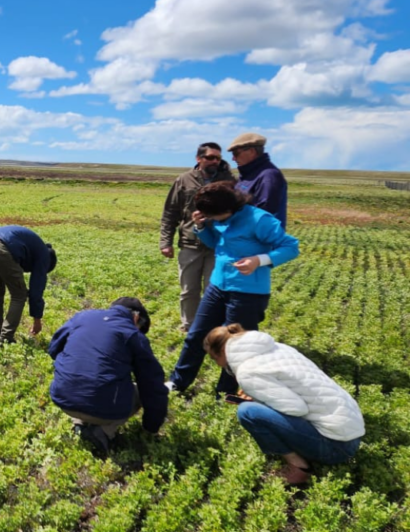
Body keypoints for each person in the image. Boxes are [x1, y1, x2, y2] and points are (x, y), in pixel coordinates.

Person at [166, 181, 299, 395]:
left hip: (248, 292)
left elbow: (291, 247)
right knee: (196, 335)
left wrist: (259, 260)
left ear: (228, 209)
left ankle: (226, 392)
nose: (211, 220)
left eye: (213, 216)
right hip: (218, 285)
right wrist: (200, 227)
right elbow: (216, 244)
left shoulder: (259, 220)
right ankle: (177, 382)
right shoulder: (218, 217)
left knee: (236, 346)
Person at [204, 324, 364, 484]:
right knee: (255, 408)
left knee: (248, 412)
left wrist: (259, 401)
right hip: (351, 433)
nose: (217, 364)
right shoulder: (277, 348)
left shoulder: (247, 371)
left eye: (213, 358)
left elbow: (296, 408)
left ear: (222, 352)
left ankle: (299, 468)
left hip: (336, 447)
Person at [49, 298, 169, 452]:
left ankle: (79, 421)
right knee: (139, 392)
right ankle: (103, 432)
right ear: (136, 318)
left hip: (62, 398)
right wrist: (151, 427)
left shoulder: (82, 317)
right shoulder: (132, 334)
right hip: (103, 408)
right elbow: (152, 385)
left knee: (85, 379)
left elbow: (53, 348)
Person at [160, 142, 235, 332]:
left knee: (214, 290)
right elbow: (171, 212)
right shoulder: (184, 180)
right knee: (189, 290)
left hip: (218, 245)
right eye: (210, 157)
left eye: (218, 158)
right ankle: (190, 326)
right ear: (199, 158)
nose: (214, 161)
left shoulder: (230, 181)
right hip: (190, 243)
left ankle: (211, 328)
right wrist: (165, 242)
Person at [0, 225, 56, 343]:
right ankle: (6, 338)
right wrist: (37, 320)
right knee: (19, 295)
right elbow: (36, 291)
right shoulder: (44, 256)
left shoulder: (34, 245)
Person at [228, 133, 288, 228]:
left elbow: (264, 215)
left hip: (258, 240)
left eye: (236, 153)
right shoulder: (247, 174)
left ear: (251, 151)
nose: (233, 158)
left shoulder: (269, 176)